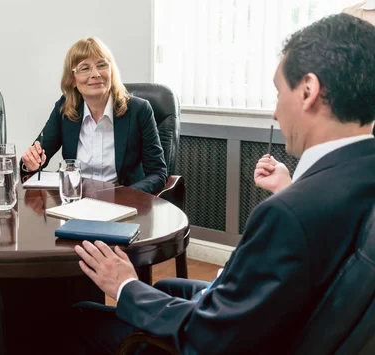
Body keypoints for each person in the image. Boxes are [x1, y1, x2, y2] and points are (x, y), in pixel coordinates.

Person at [72, 13, 375, 354]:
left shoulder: (286, 215)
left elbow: (208, 337)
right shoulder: (358, 175)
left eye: (278, 93)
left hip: (219, 336)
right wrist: (291, 188)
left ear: (308, 91)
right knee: (170, 284)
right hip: (260, 317)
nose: (275, 112)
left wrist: (124, 284)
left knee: (78, 318)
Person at [20, 37, 167, 195]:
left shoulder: (139, 110)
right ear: (72, 79)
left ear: (111, 71)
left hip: (123, 204)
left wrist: (127, 197)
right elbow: (36, 157)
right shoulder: (65, 109)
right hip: (75, 201)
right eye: (84, 68)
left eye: (102, 65)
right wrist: (30, 163)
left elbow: (158, 173)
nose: (95, 74)